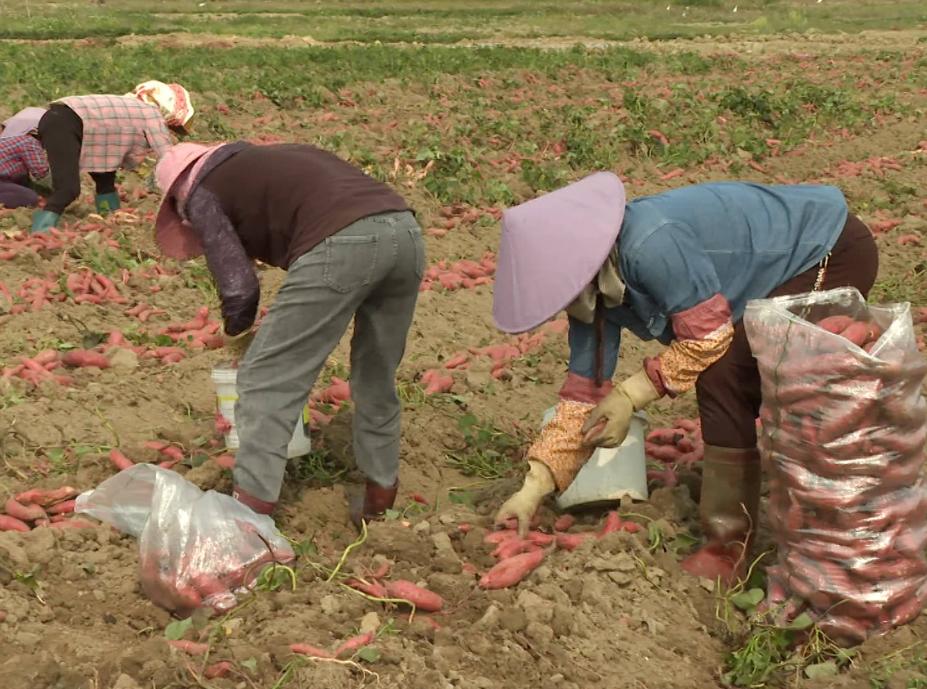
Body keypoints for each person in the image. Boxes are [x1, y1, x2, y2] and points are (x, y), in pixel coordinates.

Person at [491, 173, 878, 583]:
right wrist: (533, 490)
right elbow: (582, 395)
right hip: (769, 276)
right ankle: (747, 530)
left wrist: (629, 396)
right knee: (733, 373)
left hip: (826, 252)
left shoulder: (649, 245)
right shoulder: (591, 294)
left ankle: (745, 542)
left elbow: (708, 337)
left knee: (725, 370)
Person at [153, 141, 424, 526]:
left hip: (343, 241)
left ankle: (249, 521)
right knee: (375, 374)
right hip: (406, 233)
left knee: (265, 379)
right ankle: (380, 503)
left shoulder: (199, 193)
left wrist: (238, 334)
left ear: (178, 193)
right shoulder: (272, 159)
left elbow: (238, 286)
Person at [31, 81, 194, 232]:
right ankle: (41, 230)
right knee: (68, 189)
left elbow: (108, 140)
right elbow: (168, 157)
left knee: (105, 177)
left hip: (59, 120)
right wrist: (183, 188)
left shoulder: (130, 107)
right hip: (64, 124)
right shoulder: (151, 114)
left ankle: (110, 217)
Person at [0, 134, 48, 208]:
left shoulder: (8, 139)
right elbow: (40, 172)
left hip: (4, 181)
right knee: (31, 198)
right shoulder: (30, 141)